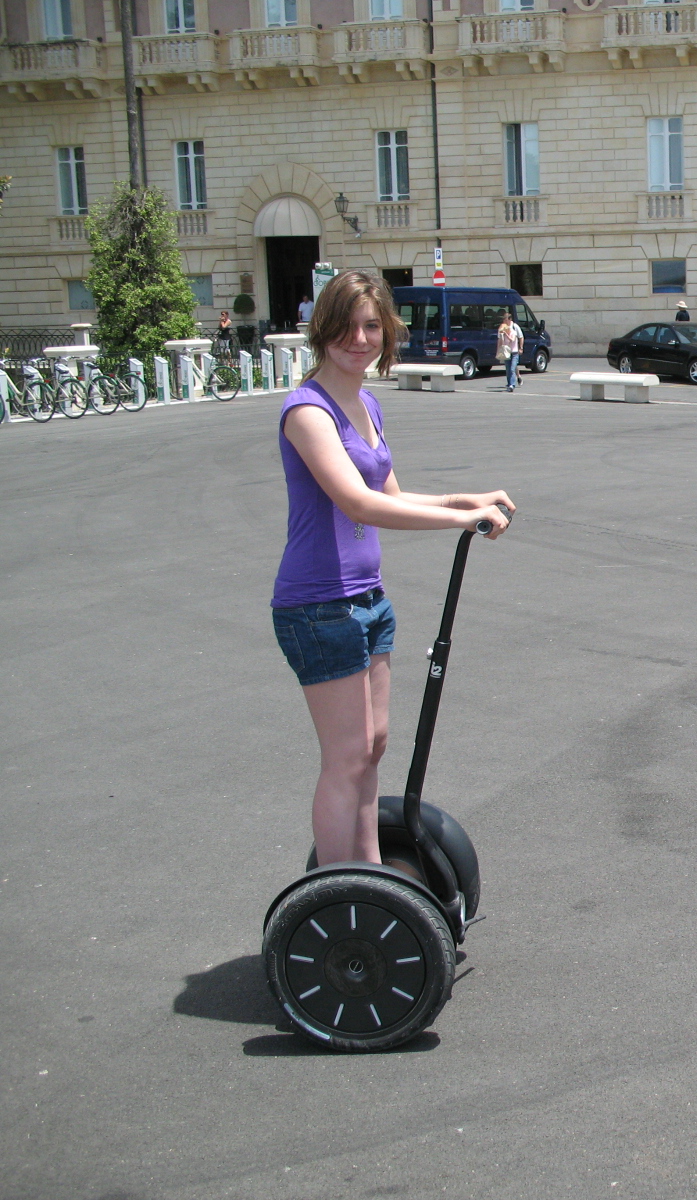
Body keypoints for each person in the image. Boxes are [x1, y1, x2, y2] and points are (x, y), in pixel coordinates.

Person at [271, 269, 514, 869]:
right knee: (347, 757)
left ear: (387, 331)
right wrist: (462, 522)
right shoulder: (308, 411)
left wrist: (463, 500)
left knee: (373, 749)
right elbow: (358, 503)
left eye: (372, 326)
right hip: (319, 604)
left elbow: (393, 493)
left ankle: (373, 879)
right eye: (346, 327)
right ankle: (337, 897)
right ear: (322, 331)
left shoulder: (366, 402)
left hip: (367, 599)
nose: (360, 338)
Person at [496, 309, 524, 391]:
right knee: (508, 369)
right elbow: (499, 339)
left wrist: (521, 347)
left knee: (512, 368)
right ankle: (509, 384)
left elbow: (520, 337)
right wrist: (498, 349)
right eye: (504, 319)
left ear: (510, 319)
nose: (504, 321)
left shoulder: (515, 327)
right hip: (506, 351)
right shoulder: (502, 328)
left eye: (506, 319)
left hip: (514, 351)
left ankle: (512, 385)